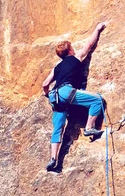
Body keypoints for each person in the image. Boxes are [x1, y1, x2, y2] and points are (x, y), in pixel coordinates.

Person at [42, 22, 106, 171]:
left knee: (58, 129)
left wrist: (47, 95)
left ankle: (54, 159)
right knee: (97, 100)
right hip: (66, 92)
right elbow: (89, 45)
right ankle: (89, 127)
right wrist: (97, 29)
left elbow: (45, 84)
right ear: (70, 50)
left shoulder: (57, 67)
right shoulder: (75, 58)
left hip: (55, 97)